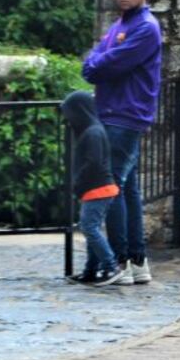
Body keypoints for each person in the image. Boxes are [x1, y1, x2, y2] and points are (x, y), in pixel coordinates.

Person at [82, 0, 162, 285]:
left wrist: (95, 63)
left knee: (111, 186)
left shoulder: (146, 27)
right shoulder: (120, 25)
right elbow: (96, 58)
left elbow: (106, 63)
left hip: (125, 115)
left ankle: (119, 261)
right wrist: (96, 62)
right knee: (127, 188)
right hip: (116, 113)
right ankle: (137, 260)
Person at [61, 91, 125, 287]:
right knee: (91, 228)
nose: (68, 119)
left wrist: (78, 183)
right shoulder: (92, 131)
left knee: (88, 227)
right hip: (96, 189)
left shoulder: (93, 133)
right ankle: (91, 271)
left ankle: (111, 266)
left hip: (98, 189)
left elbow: (93, 163)